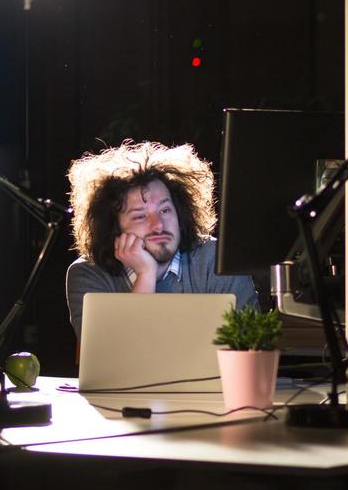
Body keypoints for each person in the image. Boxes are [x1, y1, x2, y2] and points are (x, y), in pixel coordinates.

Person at [65, 140, 258, 340]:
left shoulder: (217, 259)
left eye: (165, 210)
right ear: (113, 228)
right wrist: (145, 275)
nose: (158, 225)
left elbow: (251, 348)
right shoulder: (87, 274)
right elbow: (114, 358)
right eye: (140, 216)